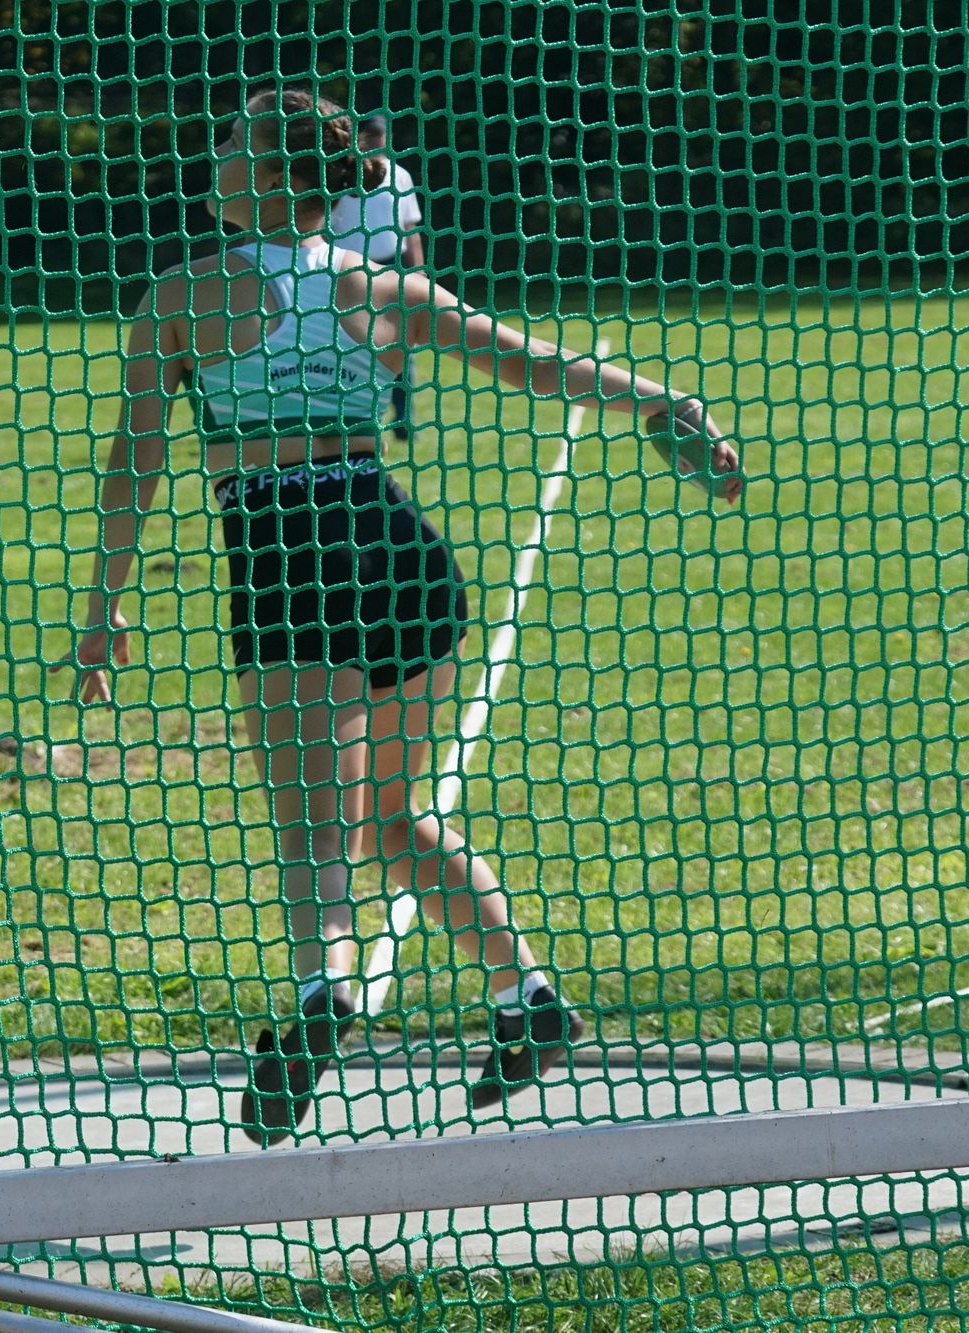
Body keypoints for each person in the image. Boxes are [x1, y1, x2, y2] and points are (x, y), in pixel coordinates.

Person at [56, 87, 742, 1147]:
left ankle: (323, 995)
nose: (216, 150)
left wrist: (102, 613)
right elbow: (533, 363)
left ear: (274, 175)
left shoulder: (183, 295)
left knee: (313, 833)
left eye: (234, 140)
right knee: (389, 819)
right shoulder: (382, 288)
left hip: (290, 557)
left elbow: (130, 464)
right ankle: (528, 998)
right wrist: (661, 399)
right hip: (404, 555)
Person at [327, 114, 424, 441]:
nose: (375, 141)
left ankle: (404, 419)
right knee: (349, 345)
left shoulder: (400, 176)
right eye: (369, 135)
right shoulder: (344, 177)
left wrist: (417, 271)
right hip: (349, 270)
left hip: (392, 266)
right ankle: (350, 418)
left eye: (380, 135)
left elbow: (409, 229)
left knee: (400, 345)